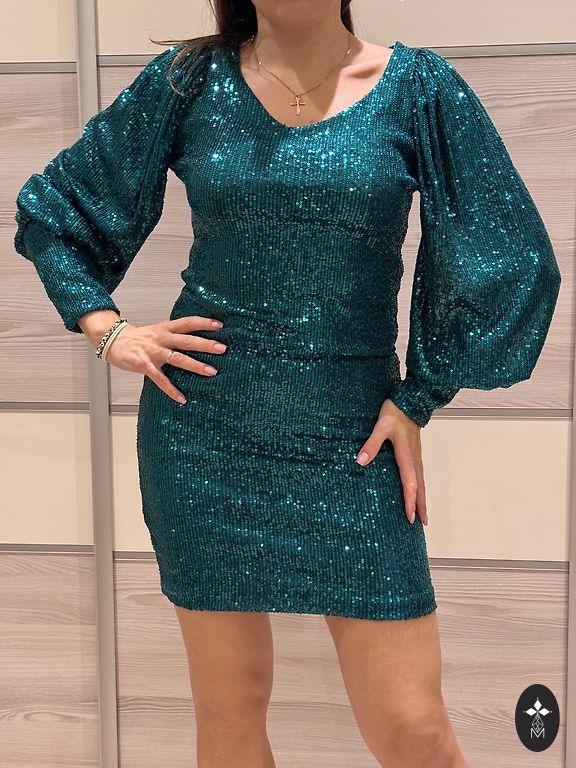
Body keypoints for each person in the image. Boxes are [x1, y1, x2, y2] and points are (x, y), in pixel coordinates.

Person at [13, 1, 560, 766]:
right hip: (204, 440)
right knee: (230, 712)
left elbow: (514, 259)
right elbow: (56, 214)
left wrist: (418, 398)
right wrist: (109, 330)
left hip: (354, 450)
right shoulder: (189, 82)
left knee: (413, 728)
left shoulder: (419, 88)